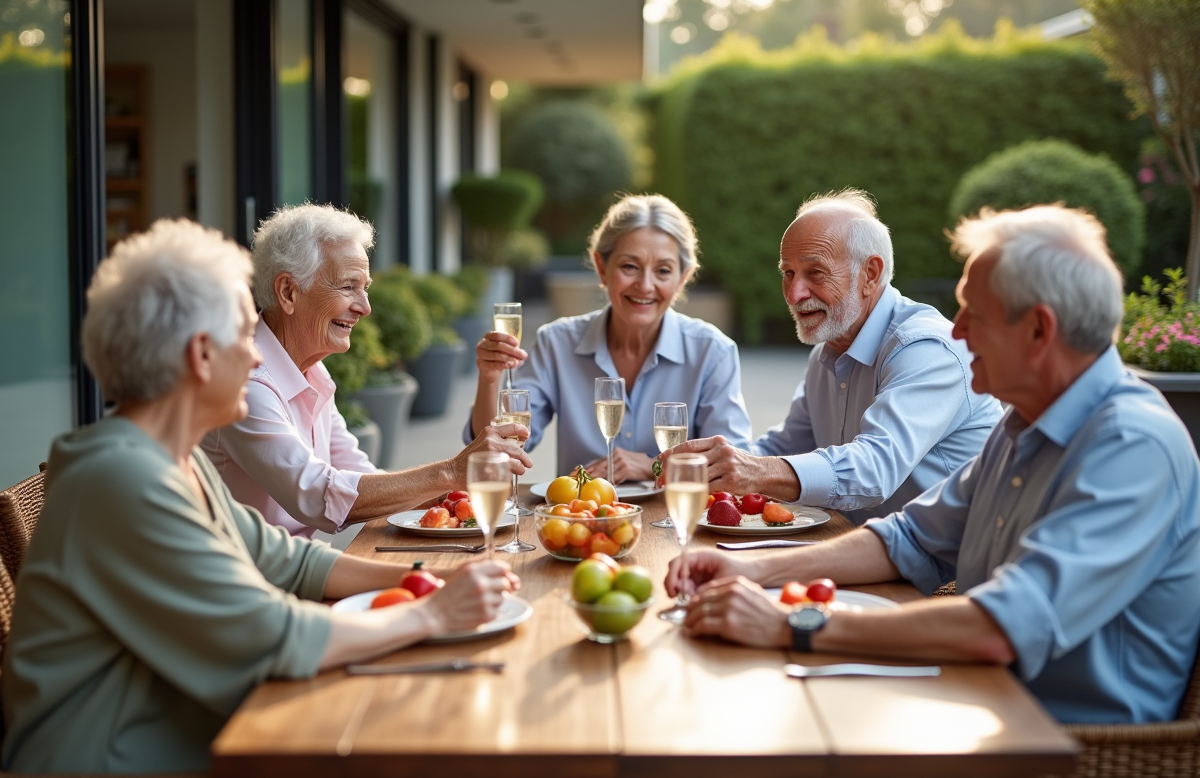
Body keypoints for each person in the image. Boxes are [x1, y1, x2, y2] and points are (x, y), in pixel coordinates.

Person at [0, 221, 519, 773]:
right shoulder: (121, 479)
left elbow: (282, 556)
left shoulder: (175, 457)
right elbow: (271, 636)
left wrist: (422, 578)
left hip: (185, 720)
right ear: (202, 355)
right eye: (244, 335)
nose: (254, 358)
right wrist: (432, 614)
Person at [665, 205, 1200, 724]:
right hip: (979, 694)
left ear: (1039, 331)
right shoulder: (1022, 428)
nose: (959, 331)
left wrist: (796, 623)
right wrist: (751, 568)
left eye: (976, 313)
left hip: (1057, 739)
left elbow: (1003, 626)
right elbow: (908, 538)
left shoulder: (1132, 445)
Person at [660, 189, 1002, 524]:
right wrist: (715, 464)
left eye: (815, 273)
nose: (794, 294)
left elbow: (873, 469)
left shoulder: (925, 347)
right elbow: (785, 446)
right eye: (788, 273)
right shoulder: (829, 351)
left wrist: (753, 471)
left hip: (944, 576)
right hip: (864, 552)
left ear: (870, 274)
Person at [202, 203, 531, 538]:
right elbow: (319, 496)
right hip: (257, 582)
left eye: (365, 288)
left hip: (300, 571)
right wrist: (454, 471)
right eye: (348, 287)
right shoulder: (246, 382)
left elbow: (360, 476)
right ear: (289, 292)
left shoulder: (312, 372)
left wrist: (458, 491)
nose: (365, 307)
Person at [465, 194, 753, 484]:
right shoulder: (556, 342)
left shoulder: (713, 351)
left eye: (663, 271)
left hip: (676, 518)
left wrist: (654, 466)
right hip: (579, 518)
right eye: (630, 266)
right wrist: (490, 379)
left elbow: (733, 462)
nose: (645, 285)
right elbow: (496, 453)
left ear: (682, 278)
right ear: (602, 268)